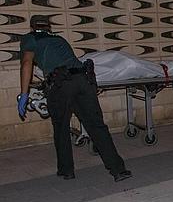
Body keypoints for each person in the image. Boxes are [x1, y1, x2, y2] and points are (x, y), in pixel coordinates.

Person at [18, 15, 132, 182]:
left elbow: (27, 63)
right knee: (97, 125)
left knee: (61, 127)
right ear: (49, 27)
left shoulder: (30, 38)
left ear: (32, 27)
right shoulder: (59, 39)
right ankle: (118, 170)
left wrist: (24, 93)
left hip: (60, 84)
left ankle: (66, 170)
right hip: (82, 81)